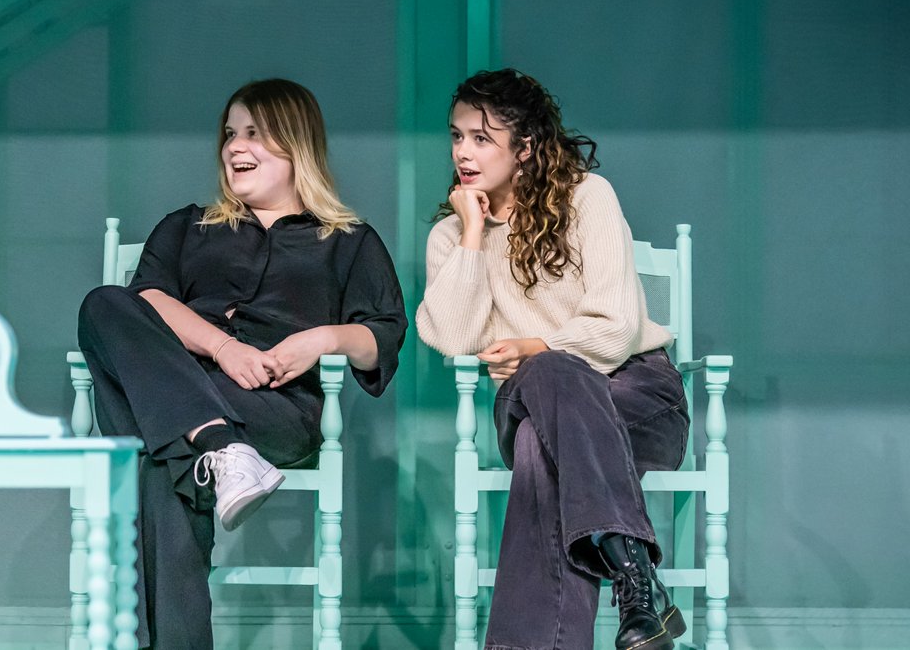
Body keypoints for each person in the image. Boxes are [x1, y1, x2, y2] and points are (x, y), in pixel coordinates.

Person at [77, 78, 407, 650]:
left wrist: (320, 339)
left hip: (275, 405)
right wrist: (224, 348)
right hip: (189, 388)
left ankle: (214, 445)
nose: (234, 146)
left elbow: (383, 337)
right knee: (103, 304)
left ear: (296, 142)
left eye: (253, 132)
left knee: (158, 449)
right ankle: (217, 445)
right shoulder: (188, 226)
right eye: (230, 133)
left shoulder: (347, 241)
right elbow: (147, 299)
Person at [417, 68, 690, 650]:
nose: (463, 152)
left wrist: (537, 347)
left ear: (526, 147)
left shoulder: (588, 198)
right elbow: (452, 335)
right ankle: (637, 579)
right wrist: (471, 233)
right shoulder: (449, 236)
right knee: (547, 383)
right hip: (533, 398)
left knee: (538, 447)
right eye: (456, 135)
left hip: (639, 395)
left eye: (482, 138)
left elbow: (616, 330)